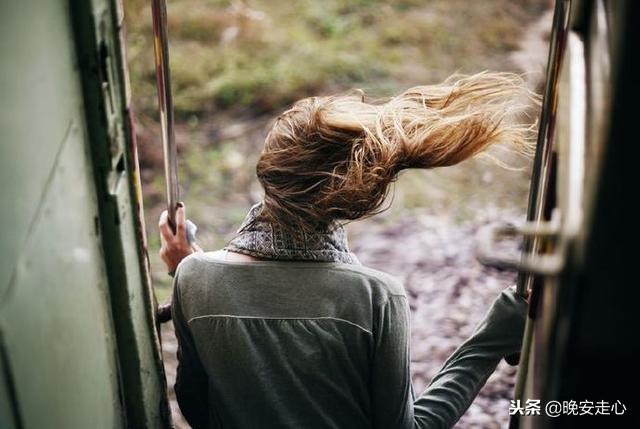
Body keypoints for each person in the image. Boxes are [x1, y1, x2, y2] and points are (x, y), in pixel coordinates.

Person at [159, 72, 533, 428]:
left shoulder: (194, 277)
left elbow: (195, 403)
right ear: (355, 197)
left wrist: (194, 272)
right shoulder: (375, 296)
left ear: (269, 171)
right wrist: (490, 339)